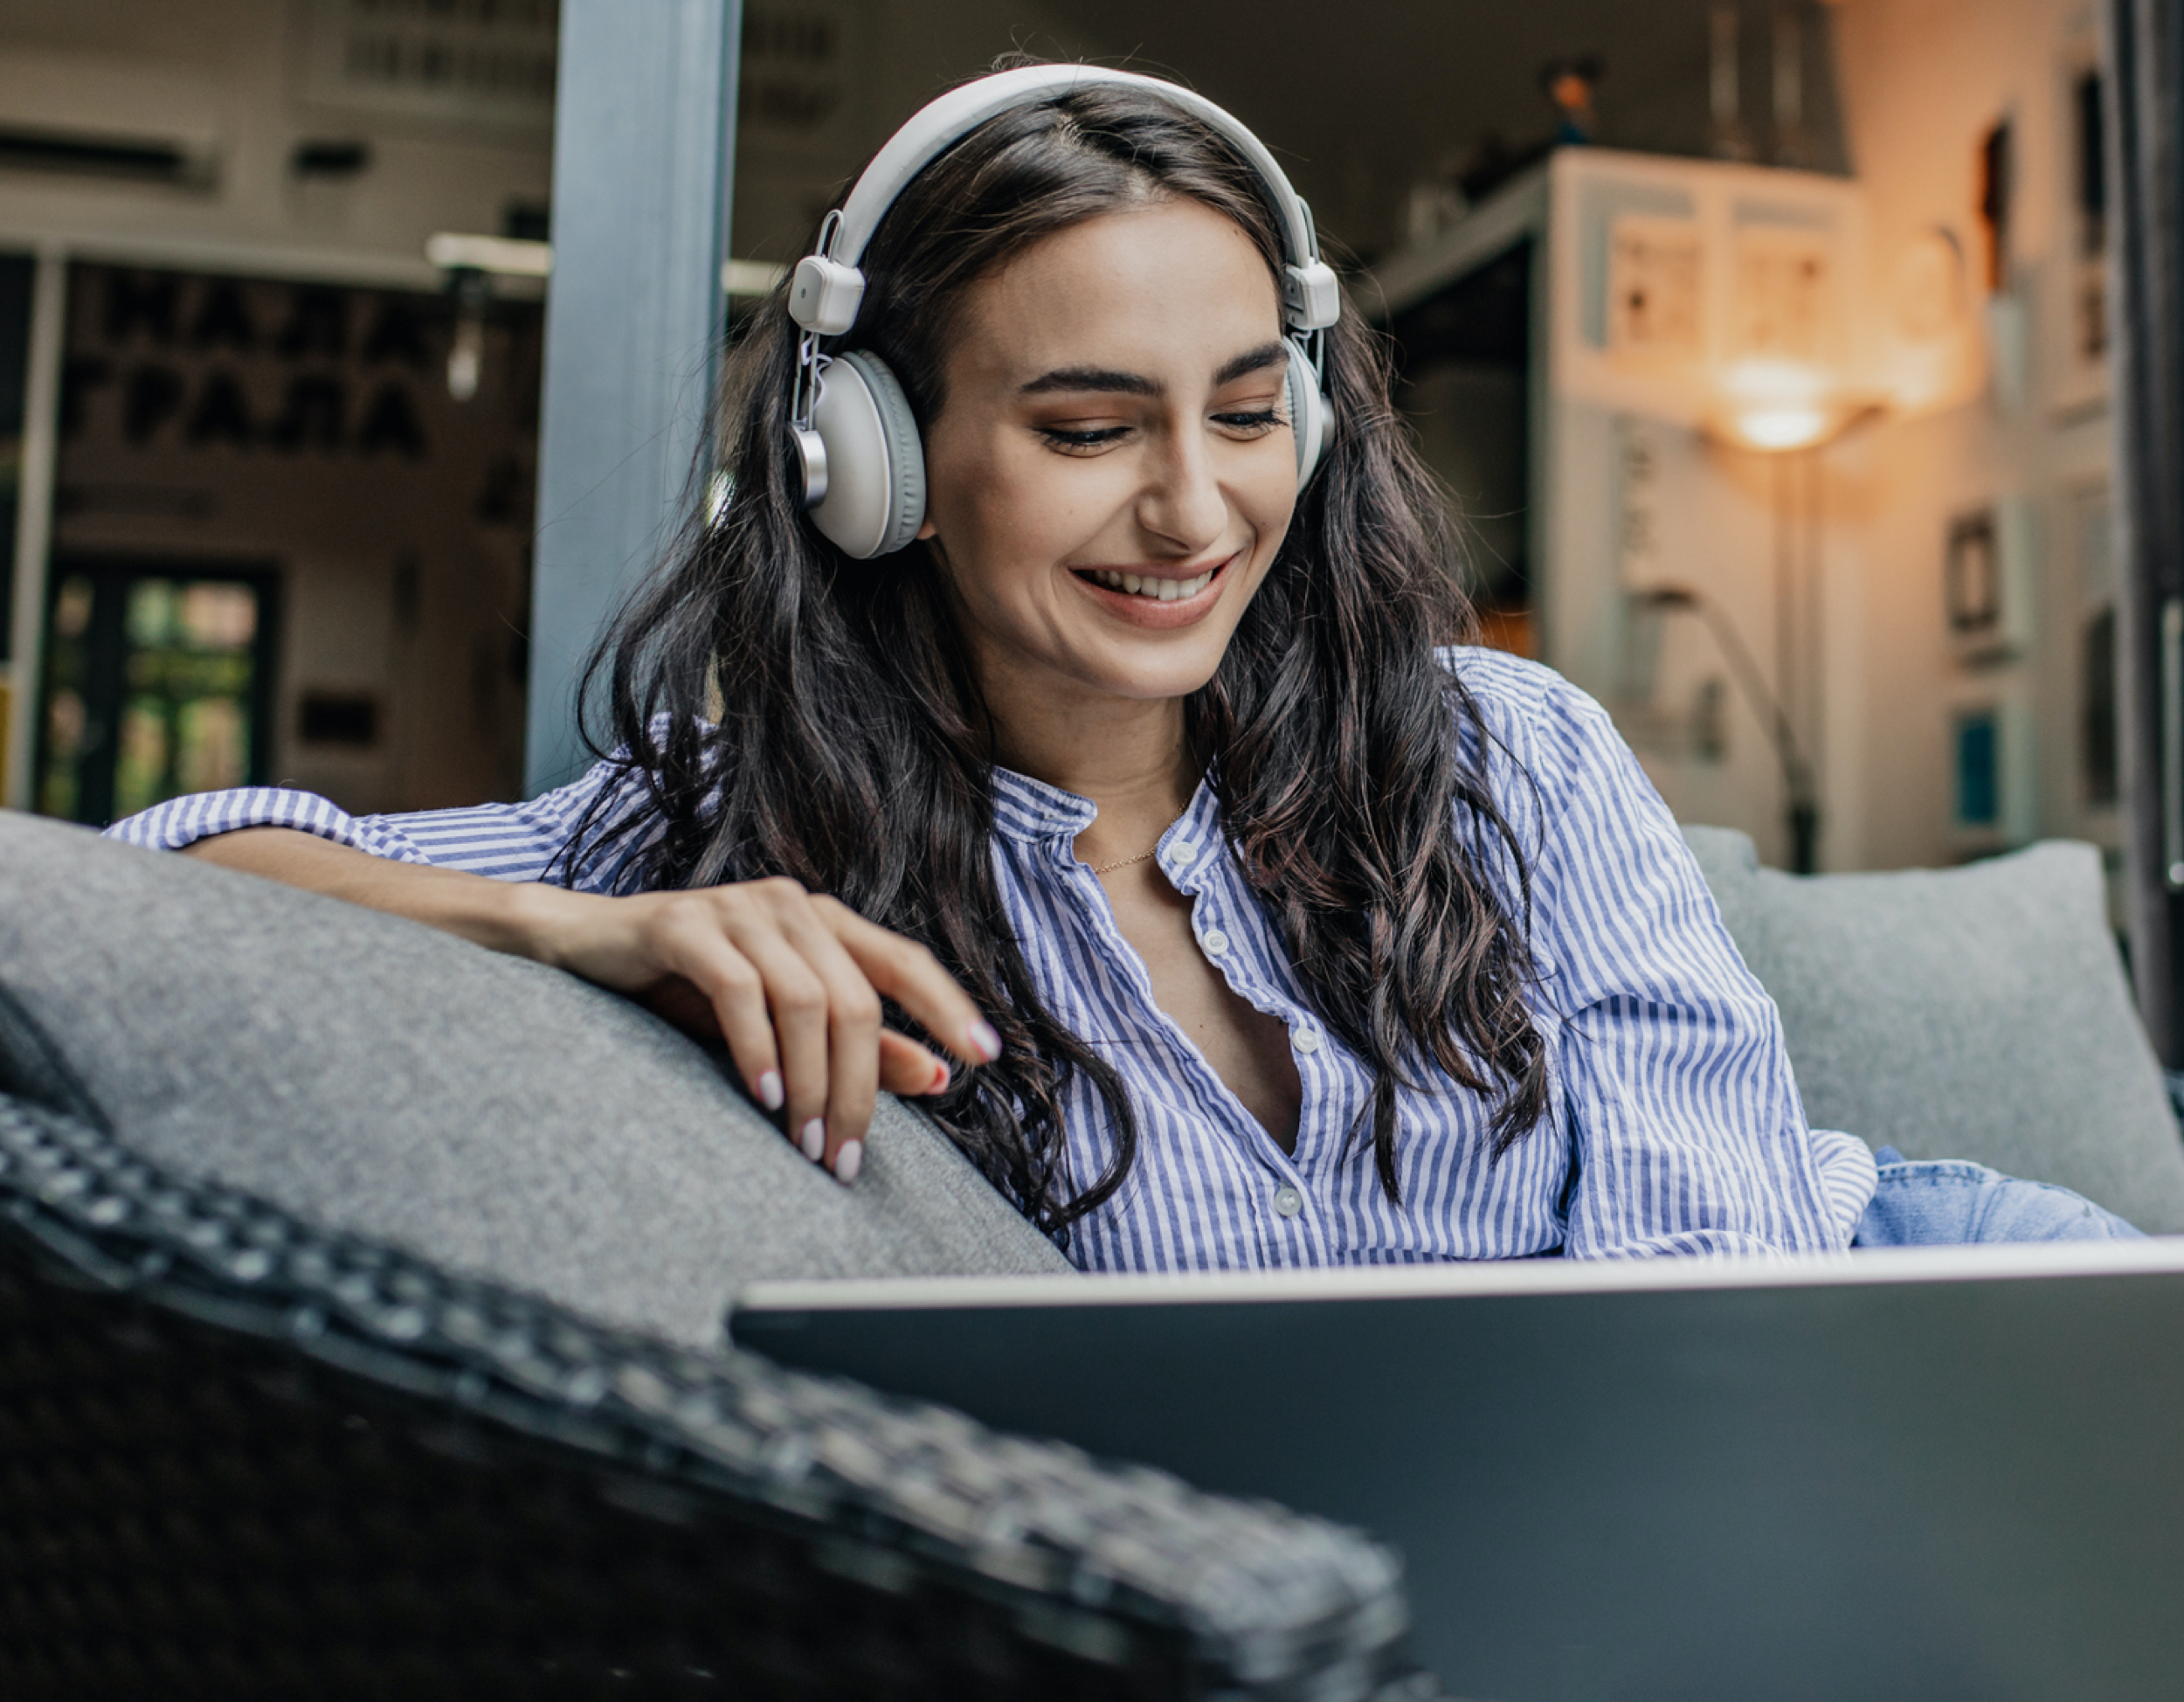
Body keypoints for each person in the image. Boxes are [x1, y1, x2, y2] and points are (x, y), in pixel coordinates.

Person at [108, 62, 2138, 1267]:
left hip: (1857, 1296)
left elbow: (1722, 1281)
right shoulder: (748, 828)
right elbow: (149, 887)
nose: (1191, 509)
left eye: (1246, 411)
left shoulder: (1501, 749)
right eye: (1086, 430)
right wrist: (579, 933)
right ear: (870, 464)